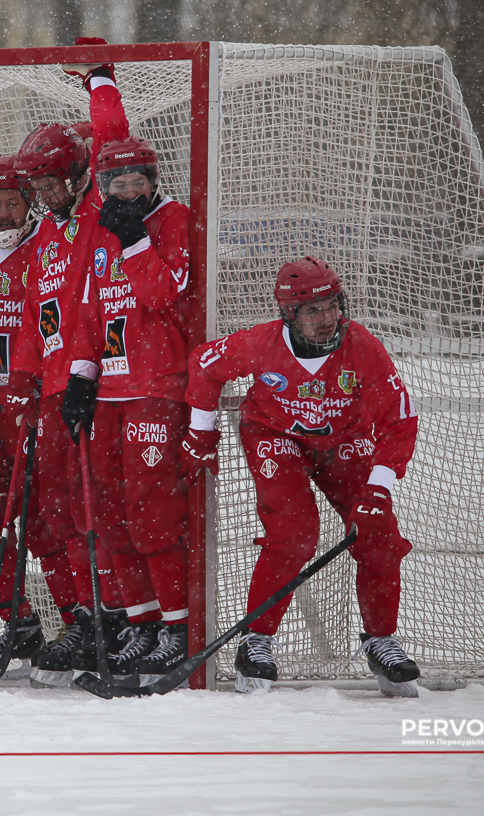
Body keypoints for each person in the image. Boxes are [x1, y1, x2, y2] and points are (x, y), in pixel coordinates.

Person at [181, 256, 421, 695]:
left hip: (344, 441)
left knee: (380, 534)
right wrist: (200, 431)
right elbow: (205, 363)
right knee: (293, 534)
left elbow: (399, 421)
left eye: (332, 305)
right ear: (289, 314)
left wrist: (379, 487)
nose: (327, 318)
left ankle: (380, 639)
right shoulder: (261, 343)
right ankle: (256, 641)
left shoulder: (363, 347)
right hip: (276, 436)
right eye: (312, 310)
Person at [6, 52, 144, 686]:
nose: (39, 197)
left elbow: (114, 137)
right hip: (57, 395)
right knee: (60, 511)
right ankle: (87, 616)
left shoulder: (94, 213)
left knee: (103, 510)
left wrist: (101, 81)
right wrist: (25, 393)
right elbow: (36, 326)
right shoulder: (45, 244)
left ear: (76, 175)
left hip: (106, 385)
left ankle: (121, 615)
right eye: (32, 188)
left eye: (47, 185)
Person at [62, 133, 195, 678]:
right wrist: (81, 375)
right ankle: (140, 625)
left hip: (156, 387)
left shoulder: (173, 220)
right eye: (118, 182)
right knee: (111, 517)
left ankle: (176, 626)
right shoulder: (98, 232)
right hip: (111, 390)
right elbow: (93, 311)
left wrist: (137, 240)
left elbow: (164, 291)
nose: (129, 191)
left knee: (152, 515)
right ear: (102, 186)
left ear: (154, 181)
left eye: (139, 180)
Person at [0, 154, 83, 674]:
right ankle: (18, 619)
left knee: (49, 521)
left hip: (42, 406)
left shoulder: (51, 246)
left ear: (30, 203)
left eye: (12, 202)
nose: (2, 213)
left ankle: (78, 622)